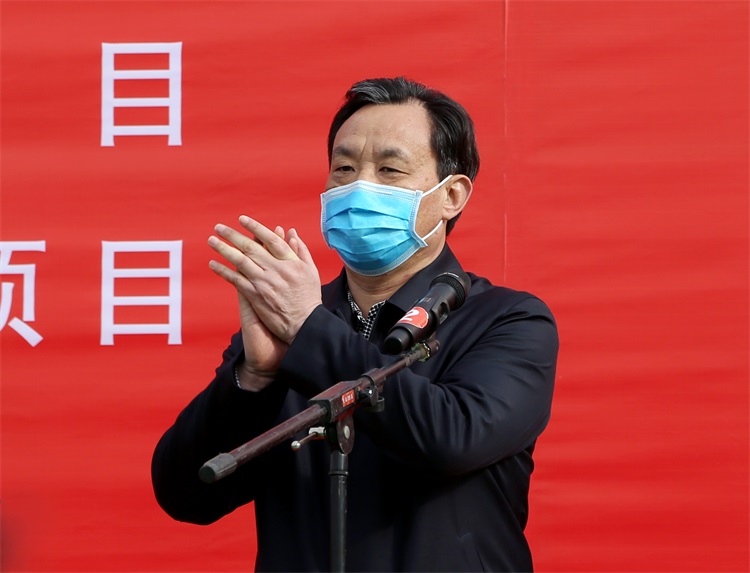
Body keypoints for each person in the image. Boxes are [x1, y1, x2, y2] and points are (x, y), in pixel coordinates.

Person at [151, 77, 558, 572]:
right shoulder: (293, 325)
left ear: (452, 195)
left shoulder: (506, 320)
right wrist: (253, 379)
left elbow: (452, 438)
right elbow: (187, 494)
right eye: (344, 168)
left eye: (389, 169)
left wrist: (308, 330)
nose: (360, 186)